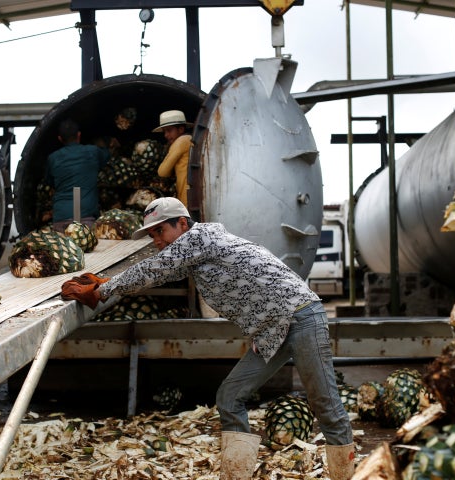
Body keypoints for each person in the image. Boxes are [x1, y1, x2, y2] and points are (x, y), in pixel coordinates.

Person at [61, 197, 355, 480]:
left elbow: (155, 268)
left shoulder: (199, 238)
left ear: (182, 223)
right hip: (272, 331)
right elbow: (160, 273)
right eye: (152, 234)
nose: (157, 240)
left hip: (302, 318)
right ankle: (236, 475)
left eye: (161, 231)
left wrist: (103, 291)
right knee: (229, 398)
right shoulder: (193, 252)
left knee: (326, 406)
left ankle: (346, 475)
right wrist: (108, 283)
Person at [45, 118, 113, 232]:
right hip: (86, 217)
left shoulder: (52, 158)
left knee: (64, 249)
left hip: (61, 218)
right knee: (88, 248)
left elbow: (49, 182)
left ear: (60, 139)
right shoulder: (93, 152)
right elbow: (107, 155)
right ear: (79, 135)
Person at [153, 110, 193, 207]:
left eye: (169, 130)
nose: (166, 135)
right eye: (164, 131)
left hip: (187, 197)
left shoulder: (182, 141)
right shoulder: (190, 139)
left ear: (181, 129)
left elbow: (162, 172)